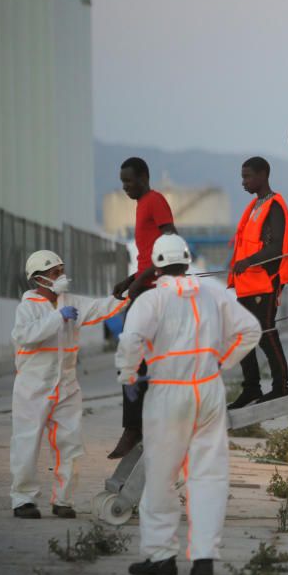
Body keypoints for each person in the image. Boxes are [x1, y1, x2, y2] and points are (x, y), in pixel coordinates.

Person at [116, 234, 261, 575]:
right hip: (208, 392)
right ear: (186, 259)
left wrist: (128, 375)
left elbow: (132, 340)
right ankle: (204, 559)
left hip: (168, 393)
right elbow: (250, 330)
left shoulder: (151, 301)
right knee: (208, 476)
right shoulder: (213, 292)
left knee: (161, 477)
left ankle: (161, 556)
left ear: (156, 265)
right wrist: (220, 362)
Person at [11, 251, 128, 519]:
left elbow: (101, 307)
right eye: (55, 273)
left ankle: (63, 500)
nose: (61, 276)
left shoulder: (71, 302)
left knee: (70, 444)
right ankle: (22, 499)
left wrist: (128, 292)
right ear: (39, 279)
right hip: (33, 389)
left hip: (66, 387)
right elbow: (26, 336)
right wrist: (57, 318)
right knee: (26, 444)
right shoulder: (26, 308)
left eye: (61, 270)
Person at [109, 157, 177, 459]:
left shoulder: (155, 201)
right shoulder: (141, 204)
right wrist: (129, 280)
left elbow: (170, 244)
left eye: (130, 181)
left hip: (153, 292)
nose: (125, 187)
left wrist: (142, 281)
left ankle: (134, 428)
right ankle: (140, 424)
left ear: (145, 177)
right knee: (137, 361)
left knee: (133, 357)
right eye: (122, 182)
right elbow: (149, 256)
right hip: (144, 286)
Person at [227, 156, 288, 409]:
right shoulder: (255, 206)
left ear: (263, 175)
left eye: (247, 176)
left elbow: (276, 247)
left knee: (266, 333)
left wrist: (248, 261)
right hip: (248, 285)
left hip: (265, 283)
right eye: (242, 176)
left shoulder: (275, 205)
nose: (243, 182)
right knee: (242, 335)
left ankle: (281, 386)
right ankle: (251, 388)